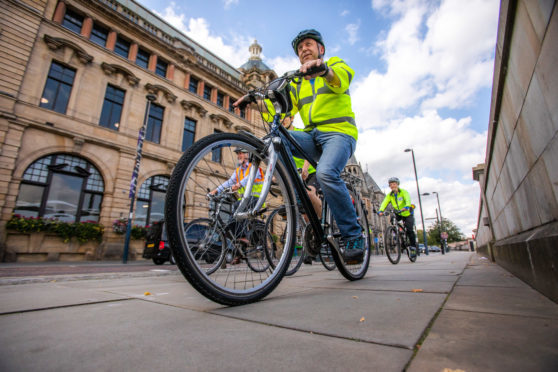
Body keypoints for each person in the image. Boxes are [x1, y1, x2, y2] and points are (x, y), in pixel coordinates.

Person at [236, 29, 363, 263]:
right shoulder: (297, 83)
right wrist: (253, 102)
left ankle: (354, 235)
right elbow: (280, 108)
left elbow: (339, 78)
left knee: (325, 173)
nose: (304, 49)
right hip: (312, 136)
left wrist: (324, 70)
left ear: (320, 50)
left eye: (308, 44)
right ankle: (297, 197)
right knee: (275, 139)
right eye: (300, 48)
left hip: (339, 133)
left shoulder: (335, 64)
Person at [209, 147, 264, 264]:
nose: (239, 155)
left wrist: (239, 185)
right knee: (233, 223)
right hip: (245, 200)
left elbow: (249, 178)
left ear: (248, 154)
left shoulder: (255, 168)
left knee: (237, 207)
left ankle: (243, 238)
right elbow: (229, 182)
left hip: (256, 199)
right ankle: (239, 252)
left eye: (241, 153)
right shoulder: (238, 170)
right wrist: (216, 191)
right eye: (238, 154)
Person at [378, 177, 417, 252]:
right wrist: (380, 211)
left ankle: (413, 247)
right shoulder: (389, 195)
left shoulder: (404, 192)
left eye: (394, 184)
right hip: (398, 213)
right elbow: (384, 203)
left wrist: (407, 206)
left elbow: (408, 200)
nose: (392, 186)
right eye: (391, 184)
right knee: (393, 220)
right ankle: (397, 233)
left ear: (397, 184)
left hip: (407, 213)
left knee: (409, 230)